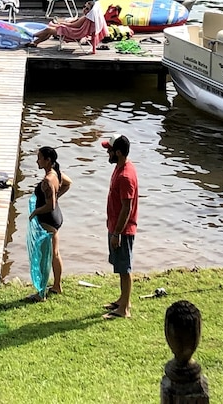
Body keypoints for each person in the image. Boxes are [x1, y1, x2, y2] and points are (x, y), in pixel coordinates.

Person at [28, 145, 73, 300]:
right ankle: (57, 286)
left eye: (39, 158)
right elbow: (68, 183)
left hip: (48, 220)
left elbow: (50, 205)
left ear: (47, 160)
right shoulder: (57, 173)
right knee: (55, 254)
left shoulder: (48, 180)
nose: (37, 161)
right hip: (56, 218)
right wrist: (57, 195)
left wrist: (35, 211)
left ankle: (41, 293)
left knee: (44, 256)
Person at [103, 134, 139, 319]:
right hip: (115, 226)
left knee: (125, 269)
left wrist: (117, 233)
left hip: (122, 230)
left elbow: (127, 207)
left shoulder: (125, 176)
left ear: (118, 152)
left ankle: (124, 309)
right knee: (120, 266)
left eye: (109, 150)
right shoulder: (120, 167)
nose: (107, 153)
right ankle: (122, 300)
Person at [26, 0, 108, 50]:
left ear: (91, 11)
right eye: (84, 7)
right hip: (73, 31)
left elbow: (73, 26)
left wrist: (60, 23)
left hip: (73, 33)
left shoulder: (85, 18)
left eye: (87, 8)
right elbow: (74, 23)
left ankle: (32, 35)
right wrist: (61, 23)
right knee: (50, 29)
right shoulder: (88, 18)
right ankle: (35, 43)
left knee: (48, 29)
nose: (84, 9)